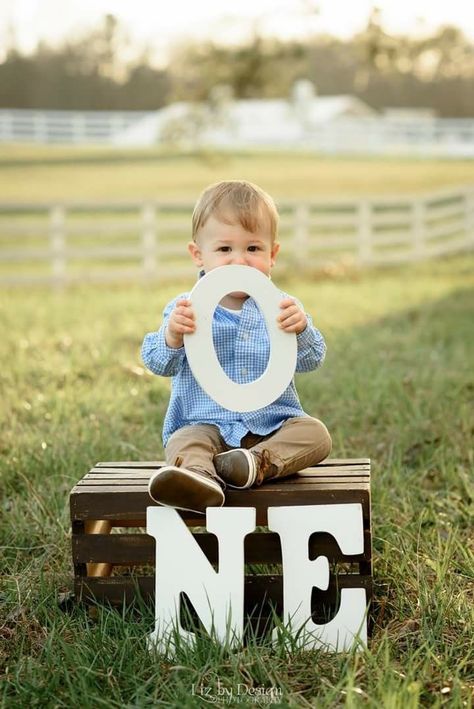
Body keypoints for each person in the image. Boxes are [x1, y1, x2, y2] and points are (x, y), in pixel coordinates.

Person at [141, 180, 331, 514]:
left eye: (253, 249)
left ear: (272, 255)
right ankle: (199, 480)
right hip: (204, 426)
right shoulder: (186, 309)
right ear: (198, 255)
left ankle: (253, 465)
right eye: (225, 250)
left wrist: (301, 330)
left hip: (270, 429)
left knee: (316, 435)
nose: (240, 261)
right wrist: (172, 337)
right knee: (183, 441)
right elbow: (158, 363)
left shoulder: (282, 307)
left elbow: (312, 358)